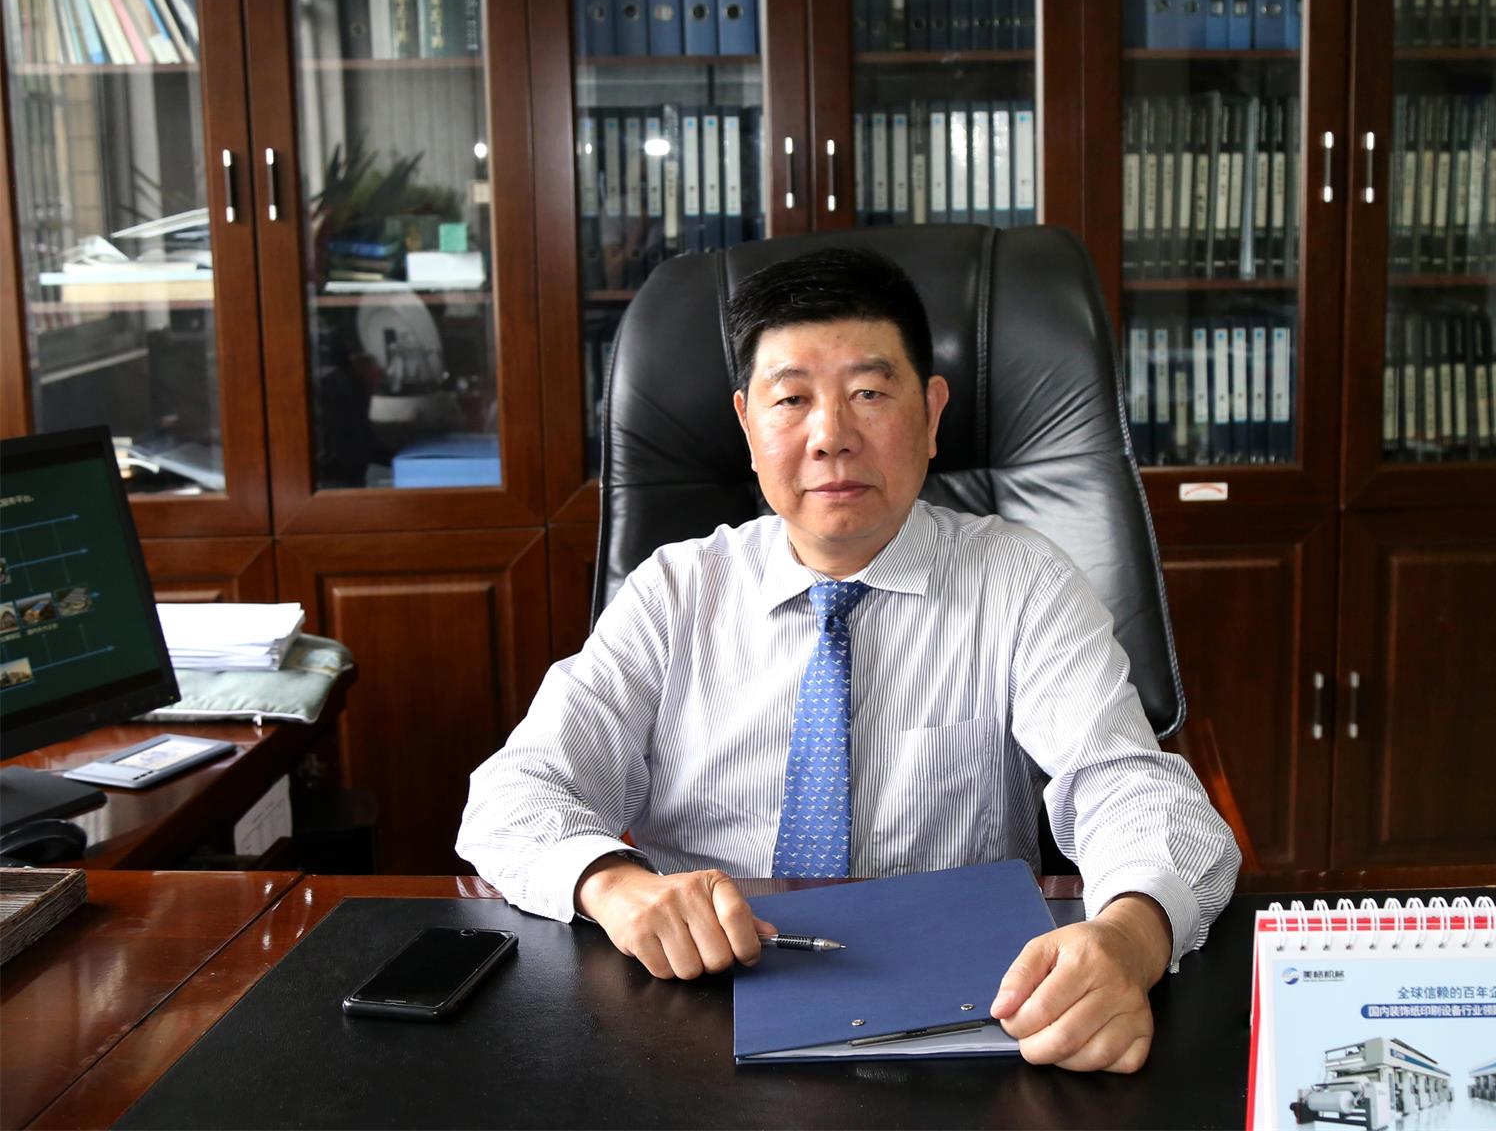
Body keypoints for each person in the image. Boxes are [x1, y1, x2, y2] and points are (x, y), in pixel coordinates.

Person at [458, 247, 1240, 1074]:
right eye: (791, 399)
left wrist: (1128, 935)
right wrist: (616, 885)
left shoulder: (1022, 582)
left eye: (869, 393)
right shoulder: (676, 592)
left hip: (958, 1020)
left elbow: (1129, 786)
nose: (831, 436)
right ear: (747, 427)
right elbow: (515, 794)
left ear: (932, 414)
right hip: (700, 1011)